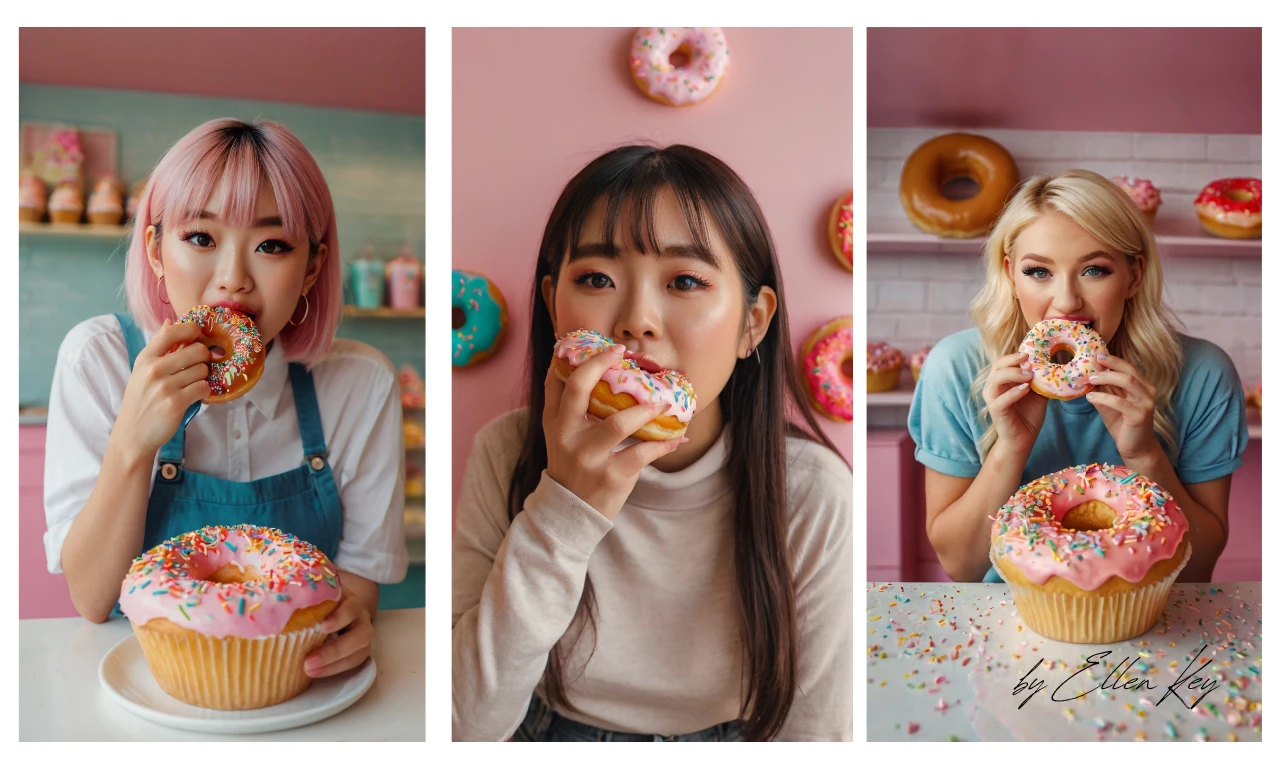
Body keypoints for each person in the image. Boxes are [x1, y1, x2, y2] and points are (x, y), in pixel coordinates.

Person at [452, 145, 852, 741]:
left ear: (754, 322)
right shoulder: (506, 452)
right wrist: (563, 507)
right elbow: (464, 727)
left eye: (686, 280)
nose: (636, 319)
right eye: (595, 278)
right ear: (554, 308)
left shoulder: (813, 492)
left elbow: (816, 734)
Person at [44, 118, 408, 678]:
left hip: (293, 686)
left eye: (271, 244)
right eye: (200, 238)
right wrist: (133, 444)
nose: (233, 279)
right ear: (156, 251)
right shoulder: (98, 360)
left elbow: (356, 583)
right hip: (140, 681)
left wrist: (351, 621)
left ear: (312, 266)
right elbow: (92, 601)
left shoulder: (361, 385)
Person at [910, 169, 1246, 583]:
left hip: (1153, 616)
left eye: (1094, 270)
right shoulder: (957, 369)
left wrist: (1144, 454)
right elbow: (962, 566)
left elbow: (1199, 567)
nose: (1066, 302)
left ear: (1134, 276)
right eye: (1038, 272)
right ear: (1010, 274)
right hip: (1006, 618)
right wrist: (1011, 449)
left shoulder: (1203, 374)